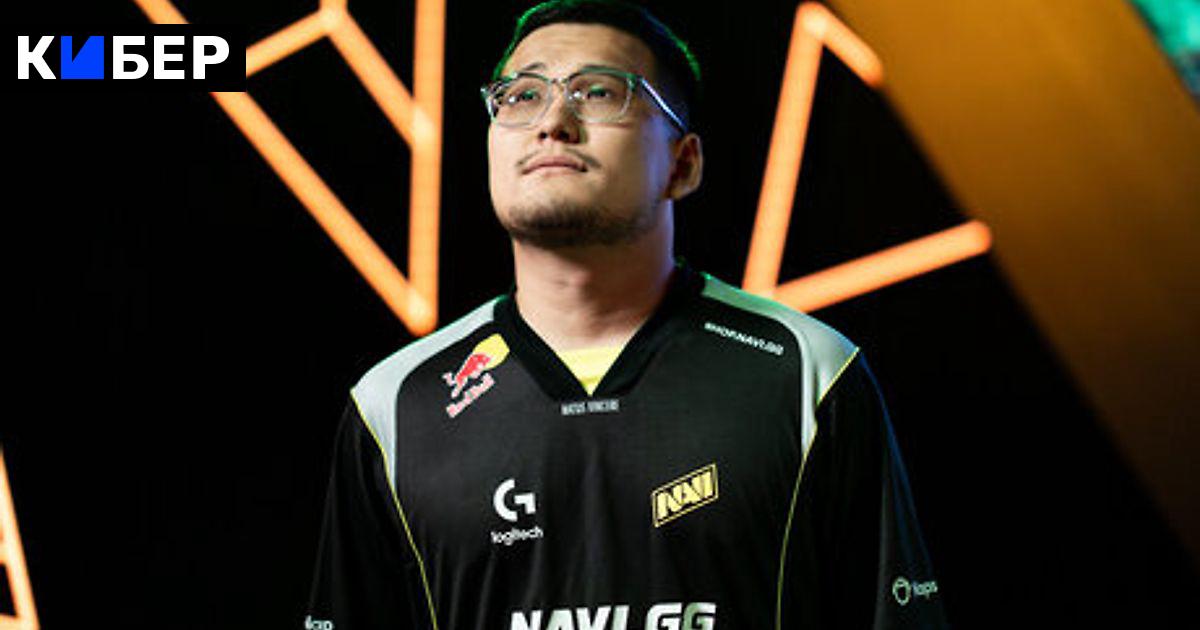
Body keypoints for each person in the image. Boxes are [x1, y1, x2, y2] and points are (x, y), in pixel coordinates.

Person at [307, 1, 948, 628]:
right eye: (521, 95)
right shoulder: (394, 405)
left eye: (598, 92)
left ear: (683, 164)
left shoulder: (809, 373)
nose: (552, 121)